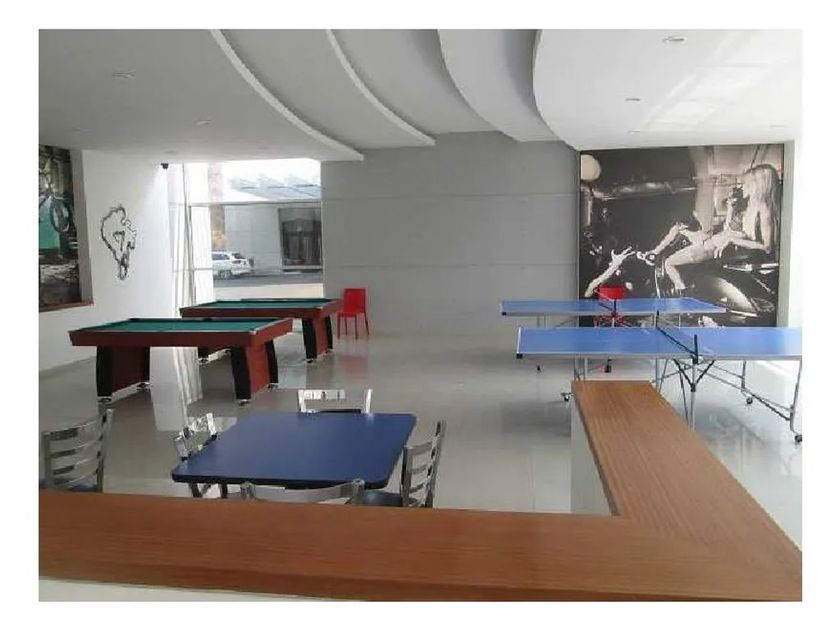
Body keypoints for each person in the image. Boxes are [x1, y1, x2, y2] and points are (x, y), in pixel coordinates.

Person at [643, 164, 780, 294]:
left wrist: (733, 240)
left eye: (746, 184)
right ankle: (653, 253)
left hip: (712, 248)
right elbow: (728, 229)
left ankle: (682, 290)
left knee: (669, 263)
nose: (743, 187)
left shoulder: (764, 211)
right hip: (712, 241)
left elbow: (767, 247)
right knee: (678, 228)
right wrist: (730, 210)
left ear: (757, 186)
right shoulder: (750, 208)